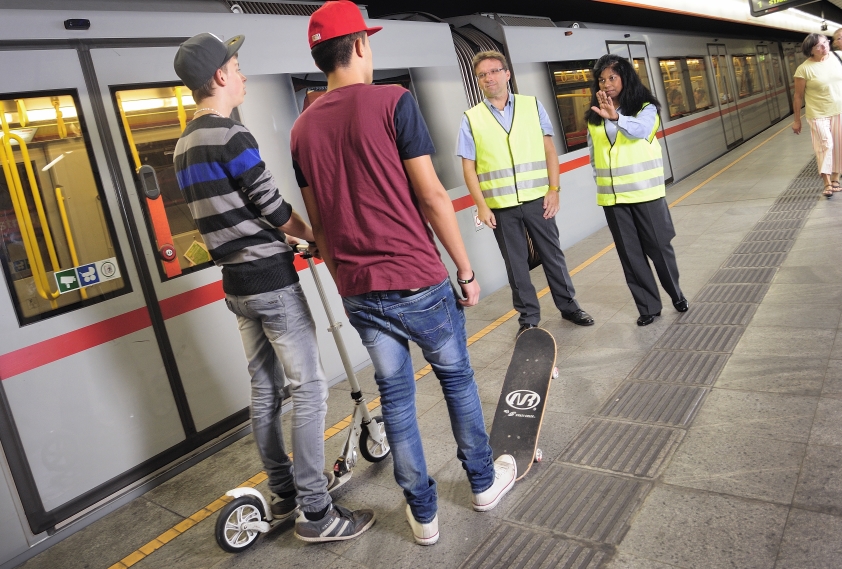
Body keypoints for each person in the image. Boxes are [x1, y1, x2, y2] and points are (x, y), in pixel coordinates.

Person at [289, 1, 516, 547]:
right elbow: (433, 196)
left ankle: (424, 516)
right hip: (418, 279)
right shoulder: (395, 102)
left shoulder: (301, 130)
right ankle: (483, 483)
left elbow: (320, 225)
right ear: (361, 46)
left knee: (396, 398)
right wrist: (464, 269)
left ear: (322, 57)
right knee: (456, 381)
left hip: (360, 290)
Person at [171, 32, 374, 543]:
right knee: (308, 390)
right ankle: (315, 511)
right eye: (236, 67)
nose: (241, 75)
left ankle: (283, 490)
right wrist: (315, 236)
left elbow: (227, 217)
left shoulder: (182, 146)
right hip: (271, 281)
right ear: (219, 77)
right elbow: (272, 207)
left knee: (265, 391)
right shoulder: (230, 135)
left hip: (236, 286)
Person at [458, 50, 594, 337]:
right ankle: (528, 319)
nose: (489, 78)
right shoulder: (471, 119)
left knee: (553, 256)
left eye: (494, 71)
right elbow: (468, 168)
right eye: (482, 74)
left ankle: (569, 307)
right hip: (500, 207)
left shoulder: (533, 106)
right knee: (516, 266)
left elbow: (548, 151)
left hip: (538, 199)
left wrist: (554, 189)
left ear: (507, 74)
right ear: (478, 81)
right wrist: (481, 206)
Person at [585, 54, 688, 326]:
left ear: (625, 78)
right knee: (630, 256)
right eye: (601, 79)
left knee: (659, 248)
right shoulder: (594, 116)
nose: (606, 84)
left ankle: (676, 294)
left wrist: (617, 117)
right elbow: (594, 154)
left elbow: (641, 131)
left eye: (612, 78)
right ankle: (648, 308)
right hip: (612, 198)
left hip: (646, 194)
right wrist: (599, 179)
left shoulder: (646, 108)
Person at [792, 33, 842, 197]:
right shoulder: (804, 69)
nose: (825, 47)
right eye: (819, 46)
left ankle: (836, 178)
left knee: (839, 146)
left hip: (839, 110)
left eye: (826, 42)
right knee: (826, 145)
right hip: (818, 114)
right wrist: (797, 120)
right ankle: (827, 182)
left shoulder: (838, 57)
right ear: (810, 50)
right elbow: (798, 96)